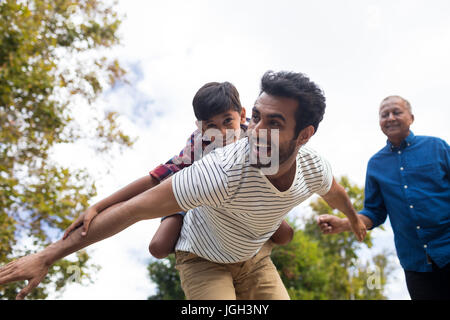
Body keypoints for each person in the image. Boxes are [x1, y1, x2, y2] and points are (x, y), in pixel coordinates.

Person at [0, 70, 367, 300]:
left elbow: (334, 193)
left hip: (254, 257)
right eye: (255, 118)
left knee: (282, 232)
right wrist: (46, 256)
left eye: (272, 123)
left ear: (304, 135)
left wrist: (355, 219)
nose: (253, 132)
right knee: (161, 245)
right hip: (204, 258)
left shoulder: (313, 165)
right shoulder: (218, 170)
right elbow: (133, 208)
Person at [318, 95, 450, 300]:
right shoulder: (376, 164)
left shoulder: (438, 147)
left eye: (396, 112)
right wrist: (344, 223)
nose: (390, 118)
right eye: (384, 115)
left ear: (411, 117)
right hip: (415, 263)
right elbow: (374, 213)